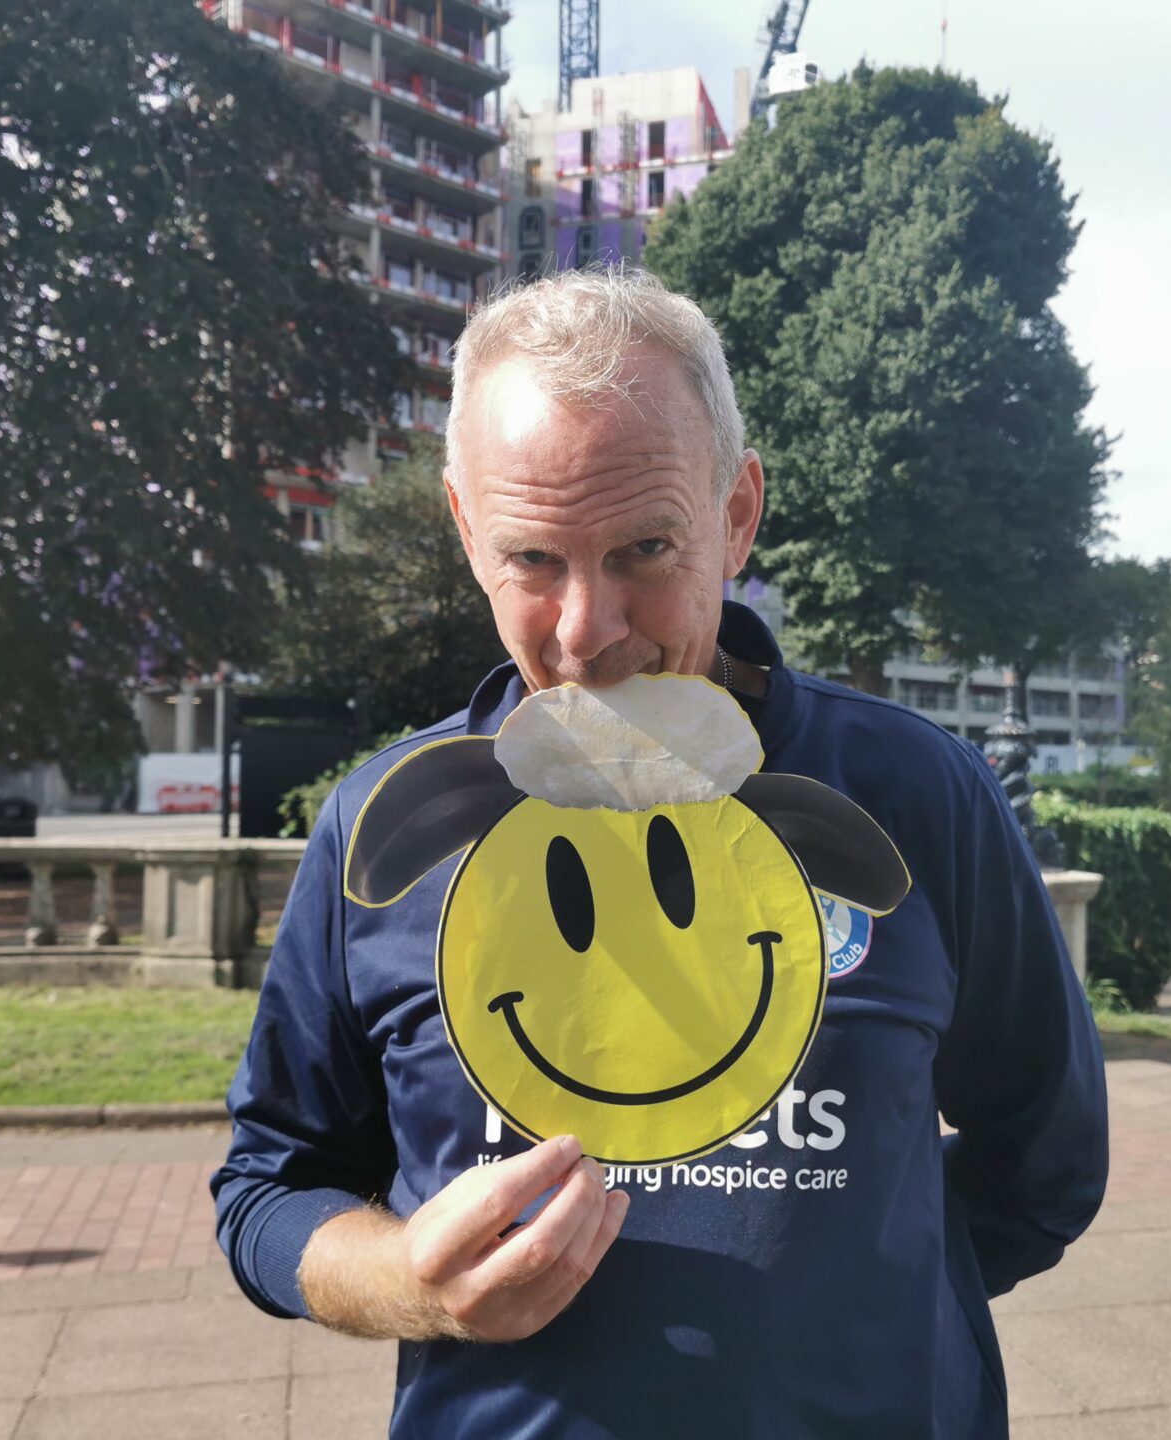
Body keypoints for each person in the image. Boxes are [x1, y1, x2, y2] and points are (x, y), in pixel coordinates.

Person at [213, 268, 1107, 1439]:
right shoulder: (383, 827)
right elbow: (270, 1188)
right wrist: (409, 1284)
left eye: (644, 546)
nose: (587, 631)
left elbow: (1043, 1163)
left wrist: (866, 1300)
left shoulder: (917, 793)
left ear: (736, 515)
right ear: (467, 529)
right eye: (532, 558)